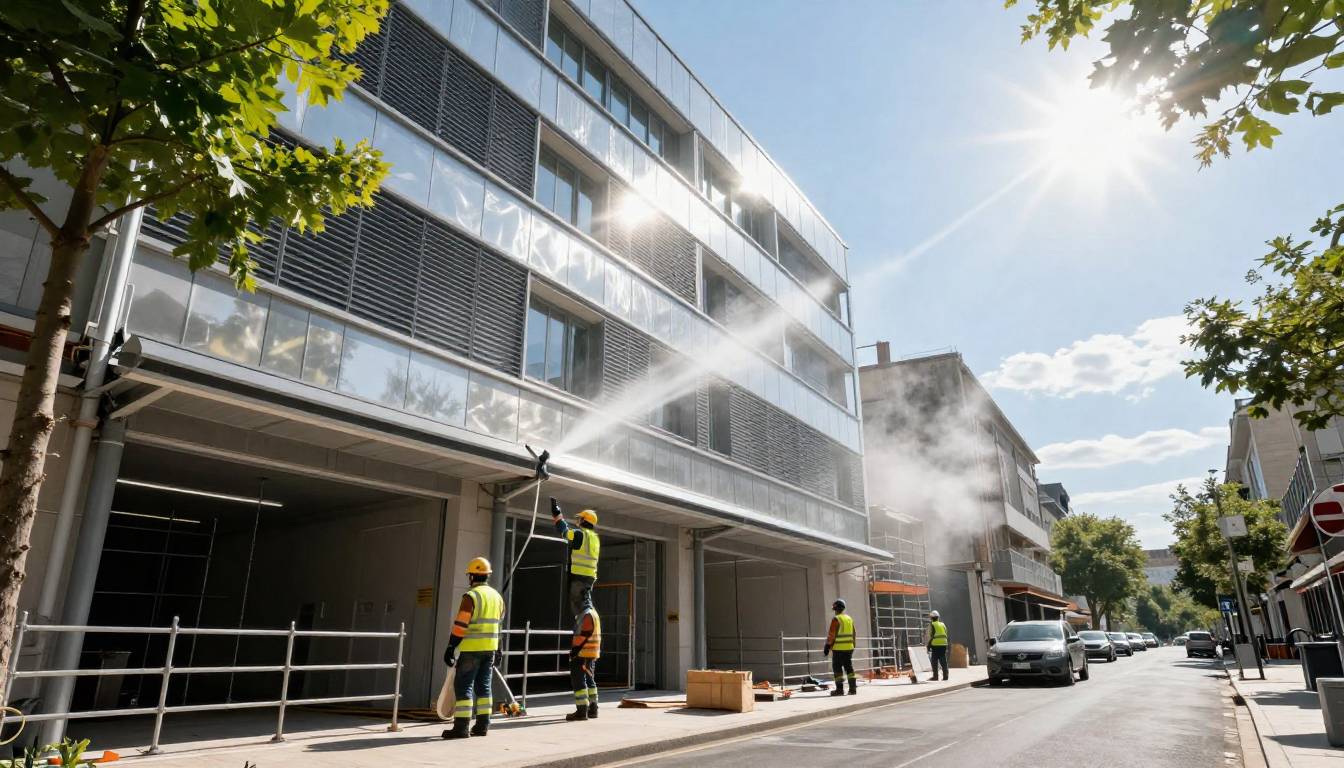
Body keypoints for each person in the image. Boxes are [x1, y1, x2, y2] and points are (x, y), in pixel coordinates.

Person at [442, 557, 504, 740]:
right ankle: (482, 725)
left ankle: (461, 727)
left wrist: (451, 646)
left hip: (471, 650)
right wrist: (498, 649)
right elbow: (498, 626)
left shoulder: (471, 596)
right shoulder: (497, 597)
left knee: (463, 686)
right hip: (490, 650)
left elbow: (460, 626)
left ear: (472, 576)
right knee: (484, 688)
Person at [552, 498, 600, 615]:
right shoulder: (595, 538)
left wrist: (557, 514)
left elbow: (564, 531)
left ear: (584, 520)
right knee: (585, 605)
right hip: (590, 579)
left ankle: (582, 628)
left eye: (581, 518)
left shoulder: (580, 534)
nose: (579, 520)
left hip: (578, 577)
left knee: (577, 609)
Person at [566, 598, 602, 721]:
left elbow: (584, 634)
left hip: (583, 652)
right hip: (591, 652)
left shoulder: (586, 615)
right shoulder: (594, 613)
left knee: (579, 681)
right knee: (589, 680)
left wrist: (575, 649)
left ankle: (581, 711)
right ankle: (593, 708)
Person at [822, 599, 857, 696]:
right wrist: (853, 645)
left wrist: (827, 648)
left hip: (838, 648)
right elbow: (854, 633)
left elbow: (831, 634)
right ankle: (853, 689)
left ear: (836, 608)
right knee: (849, 668)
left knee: (837, 669)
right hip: (849, 647)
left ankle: (839, 690)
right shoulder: (849, 618)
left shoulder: (836, 619)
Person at [926, 609, 949, 682]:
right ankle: (946, 675)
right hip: (943, 644)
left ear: (931, 618)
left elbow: (929, 636)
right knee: (943, 659)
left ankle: (935, 676)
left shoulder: (932, 625)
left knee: (934, 660)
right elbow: (946, 633)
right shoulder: (943, 624)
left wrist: (928, 645)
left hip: (935, 644)